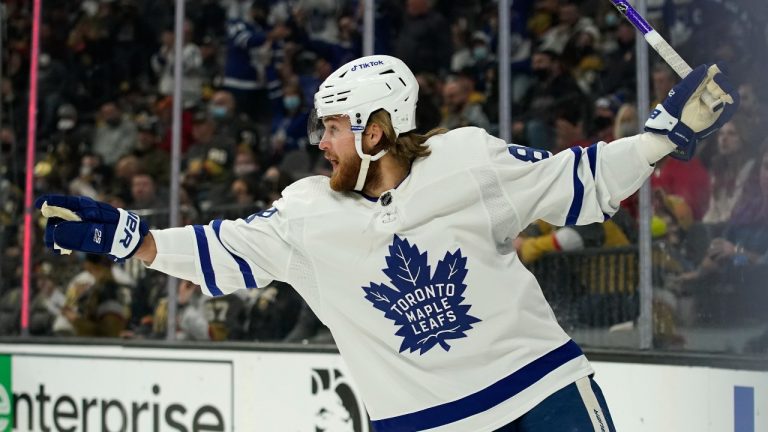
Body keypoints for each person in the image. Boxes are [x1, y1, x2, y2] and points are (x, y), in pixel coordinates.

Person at [36, 55, 737, 431]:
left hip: (542, 392)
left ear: (376, 130)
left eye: (333, 128)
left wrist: (662, 135)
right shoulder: (307, 215)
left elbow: (576, 181)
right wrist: (132, 239)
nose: (320, 142)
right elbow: (224, 250)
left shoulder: (468, 161)